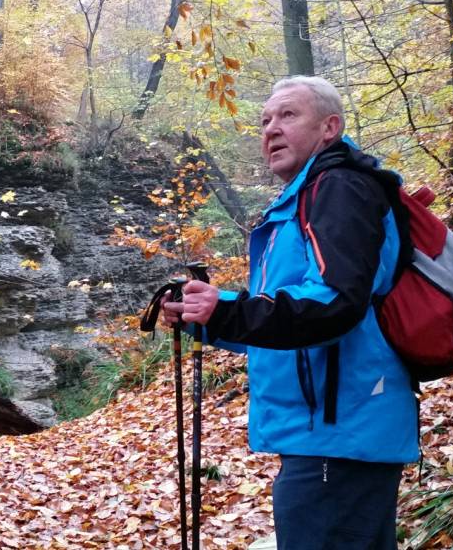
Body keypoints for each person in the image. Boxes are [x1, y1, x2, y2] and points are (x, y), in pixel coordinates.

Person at [162, 76, 418, 549]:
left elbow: (334, 305)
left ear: (329, 127)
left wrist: (226, 314)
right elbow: (291, 315)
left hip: (339, 433)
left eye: (288, 115)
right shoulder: (301, 201)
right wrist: (211, 313)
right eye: (265, 120)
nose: (271, 129)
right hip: (327, 433)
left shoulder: (338, 189)